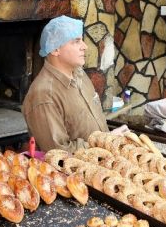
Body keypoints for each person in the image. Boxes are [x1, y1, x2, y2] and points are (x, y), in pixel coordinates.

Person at [22, 16, 109, 152]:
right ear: (55, 49)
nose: (85, 47)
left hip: (104, 161)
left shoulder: (80, 74)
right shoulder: (44, 95)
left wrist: (112, 140)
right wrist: (103, 144)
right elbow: (59, 153)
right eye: (76, 41)